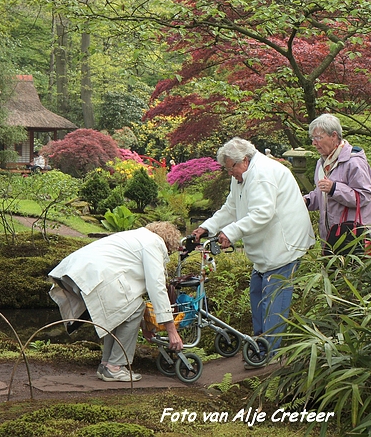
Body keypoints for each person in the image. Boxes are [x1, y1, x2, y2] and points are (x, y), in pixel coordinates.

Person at [192, 137, 315, 364]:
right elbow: (231, 208)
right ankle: (259, 344)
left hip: (284, 243)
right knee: (257, 293)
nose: (230, 173)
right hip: (267, 247)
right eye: (227, 169)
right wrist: (206, 227)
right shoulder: (242, 176)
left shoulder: (263, 174)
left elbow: (262, 213)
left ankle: (270, 353)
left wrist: (231, 232)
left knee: (274, 299)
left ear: (244, 161)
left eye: (232, 168)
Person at [48, 221, 184, 382]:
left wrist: (144, 327)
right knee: (135, 308)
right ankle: (115, 367)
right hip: (91, 276)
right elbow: (156, 286)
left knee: (121, 311)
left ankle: (106, 365)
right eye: (169, 251)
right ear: (168, 243)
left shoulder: (137, 236)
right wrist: (171, 330)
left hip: (73, 272)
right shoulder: (154, 243)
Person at [304, 113, 371, 254]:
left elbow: (365, 196)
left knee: (352, 275)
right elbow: (322, 194)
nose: (314, 143)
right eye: (312, 138)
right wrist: (307, 200)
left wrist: (334, 188)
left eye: (318, 137)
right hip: (331, 237)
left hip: (354, 238)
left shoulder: (354, 161)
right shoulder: (322, 162)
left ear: (334, 136)